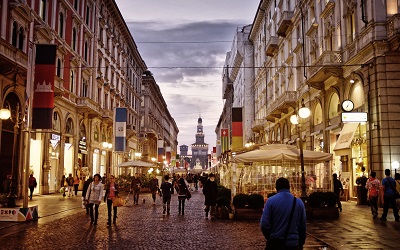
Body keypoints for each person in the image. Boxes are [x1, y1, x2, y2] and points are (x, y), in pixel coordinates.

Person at [260, 177, 306, 250]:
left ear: (276, 188)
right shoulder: (299, 202)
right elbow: (303, 226)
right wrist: (301, 242)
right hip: (293, 244)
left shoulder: (271, 201)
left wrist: (270, 237)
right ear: (289, 187)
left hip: (276, 243)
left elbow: (264, 224)